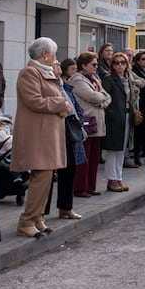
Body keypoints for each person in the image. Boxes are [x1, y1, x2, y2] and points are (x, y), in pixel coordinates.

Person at [10, 38, 72, 239]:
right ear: (45, 55)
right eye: (54, 53)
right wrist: (61, 104)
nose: (56, 57)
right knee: (42, 175)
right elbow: (33, 100)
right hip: (37, 133)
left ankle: (37, 218)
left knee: (46, 176)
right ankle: (27, 220)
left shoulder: (45, 72)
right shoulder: (30, 72)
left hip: (47, 132)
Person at [69, 51, 110, 199]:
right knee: (84, 157)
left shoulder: (95, 79)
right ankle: (80, 187)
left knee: (93, 158)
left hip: (98, 120)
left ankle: (91, 186)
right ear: (84, 65)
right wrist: (101, 98)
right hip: (86, 121)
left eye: (97, 64)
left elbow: (107, 97)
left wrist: (101, 101)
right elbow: (92, 96)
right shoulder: (77, 80)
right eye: (93, 64)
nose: (96, 67)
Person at [54, 59, 85, 220]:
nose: (58, 65)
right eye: (55, 64)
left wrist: (79, 121)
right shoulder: (49, 84)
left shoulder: (64, 85)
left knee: (70, 169)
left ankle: (66, 207)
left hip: (70, 129)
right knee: (48, 175)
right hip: (57, 131)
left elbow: (76, 106)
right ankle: (39, 215)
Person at [101, 53, 136, 192]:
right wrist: (111, 114)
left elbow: (131, 98)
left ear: (127, 64)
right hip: (115, 118)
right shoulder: (109, 79)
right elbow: (104, 98)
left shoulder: (128, 79)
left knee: (122, 149)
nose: (120, 65)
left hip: (126, 116)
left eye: (123, 62)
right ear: (112, 65)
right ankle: (111, 179)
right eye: (116, 63)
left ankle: (118, 177)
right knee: (113, 150)